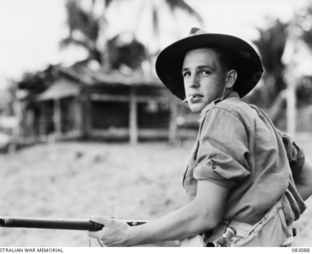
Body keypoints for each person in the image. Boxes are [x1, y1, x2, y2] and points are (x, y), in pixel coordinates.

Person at [88, 28, 312, 247]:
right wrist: (271, 217)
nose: (192, 82)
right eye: (187, 73)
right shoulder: (256, 117)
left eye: (204, 72)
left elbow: (206, 214)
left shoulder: (221, 114)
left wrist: (128, 234)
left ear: (229, 78)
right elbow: (307, 178)